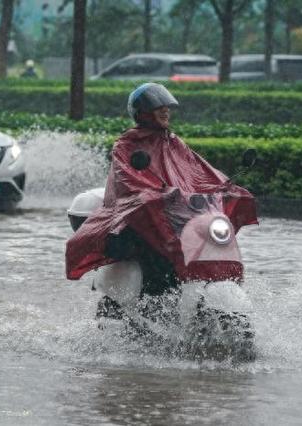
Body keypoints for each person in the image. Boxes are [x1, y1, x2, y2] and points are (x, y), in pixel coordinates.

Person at [65, 83, 258, 315]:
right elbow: (129, 181)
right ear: (142, 112)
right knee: (161, 259)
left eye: (167, 107)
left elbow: (198, 172)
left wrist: (223, 186)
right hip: (139, 219)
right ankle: (154, 312)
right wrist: (156, 194)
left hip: (172, 216)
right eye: (158, 107)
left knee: (199, 247)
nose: (166, 111)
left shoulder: (173, 141)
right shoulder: (127, 145)